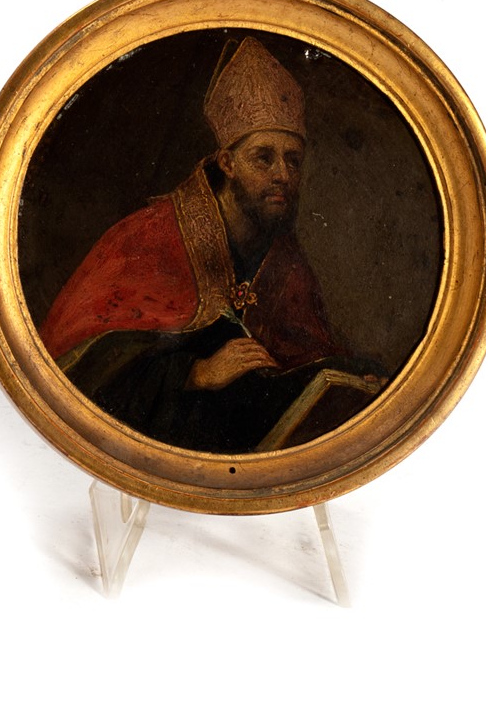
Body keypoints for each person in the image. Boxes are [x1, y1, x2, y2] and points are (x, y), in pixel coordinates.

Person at [39, 37, 375, 452]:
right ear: (228, 163)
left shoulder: (286, 261)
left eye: (293, 160)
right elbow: (87, 371)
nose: (283, 175)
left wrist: (350, 374)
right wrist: (197, 373)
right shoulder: (149, 238)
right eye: (264, 157)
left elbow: (301, 360)